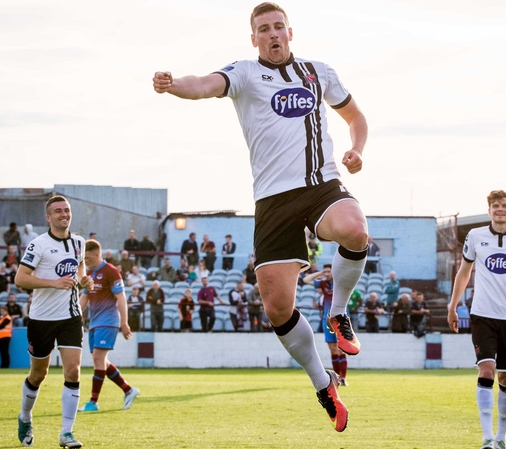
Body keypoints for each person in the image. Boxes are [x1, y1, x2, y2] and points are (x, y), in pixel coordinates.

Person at [154, 3, 370, 431]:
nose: (272, 35)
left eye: (277, 27)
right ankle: (323, 383)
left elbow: (355, 117)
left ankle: (338, 312)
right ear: (253, 39)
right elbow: (203, 84)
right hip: (272, 200)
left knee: (354, 230)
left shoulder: (318, 71)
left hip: (320, 184)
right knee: (276, 307)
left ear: (290, 32)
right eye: (263, 30)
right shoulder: (245, 74)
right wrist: (174, 84)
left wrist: (357, 150)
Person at [447, 190, 506, 449]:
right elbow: (464, 273)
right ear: (489, 210)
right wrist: (453, 306)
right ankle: (487, 438)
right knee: (486, 369)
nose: (500, 209)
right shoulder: (475, 236)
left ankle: (501, 437)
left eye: (505, 205)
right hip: (482, 315)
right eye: (496, 205)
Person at [14, 195, 94, 448]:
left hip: (70, 316)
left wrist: (84, 280)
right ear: (48, 217)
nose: (64, 214)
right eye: (58, 211)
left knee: (73, 370)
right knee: (39, 374)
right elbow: (20, 278)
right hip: (42, 319)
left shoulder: (79, 243)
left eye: (67, 210)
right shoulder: (38, 245)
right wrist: (53, 283)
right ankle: (25, 416)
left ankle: (66, 433)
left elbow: (80, 269)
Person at [77, 239, 140, 413]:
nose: (86, 260)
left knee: (98, 358)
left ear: (97, 254)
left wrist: (124, 322)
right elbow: (85, 297)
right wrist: (74, 313)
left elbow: (121, 298)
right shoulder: (88, 272)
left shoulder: (111, 272)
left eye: (88, 257)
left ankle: (93, 402)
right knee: (101, 360)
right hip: (95, 322)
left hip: (108, 321)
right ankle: (128, 390)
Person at [305, 265, 348, 386]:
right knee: (333, 349)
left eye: (329, 271)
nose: (327, 274)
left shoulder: (341, 283)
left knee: (341, 349)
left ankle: (343, 377)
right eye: (326, 272)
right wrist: (320, 273)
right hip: (327, 319)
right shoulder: (323, 284)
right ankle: (337, 377)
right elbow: (305, 280)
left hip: (341, 319)